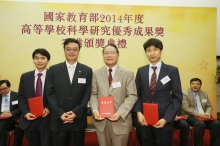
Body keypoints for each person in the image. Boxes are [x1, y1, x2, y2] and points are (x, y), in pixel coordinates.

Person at [133, 38, 182, 146]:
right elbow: (137, 94)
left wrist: (166, 118)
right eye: (148, 50)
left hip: (163, 118)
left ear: (161, 51)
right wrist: (138, 112)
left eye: (155, 49)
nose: (152, 53)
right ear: (145, 53)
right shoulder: (141, 71)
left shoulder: (172, 70)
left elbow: (177, 97)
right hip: (144, 119)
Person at [46, 38, 92, 146]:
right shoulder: (53, 69)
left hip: (77, 120)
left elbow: (87, 93)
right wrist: (60, 113)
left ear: (79, 51)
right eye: (68, 49)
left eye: (75, 49)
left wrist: (76, 112)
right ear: (64, 51)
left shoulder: (87, 70)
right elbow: (50, 93)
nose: (71, 52)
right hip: (59, 120)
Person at [90, 44, 137, 146]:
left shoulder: (127, 73)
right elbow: (93, 94)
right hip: (101, 122)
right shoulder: (96, 73)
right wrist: (94, 110)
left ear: (118, 55)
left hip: (120, 121)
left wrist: (120, 113)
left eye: (112, 53)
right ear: (103, 56)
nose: (109, 55)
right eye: (106, 53)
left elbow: (132, 95)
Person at [17, 48, 52, 146]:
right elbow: (21, 97)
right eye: (36, 58)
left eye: (42, 58)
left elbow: (56, 96)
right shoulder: (25, 76)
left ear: (48, 60)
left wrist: (49, 108)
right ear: (33, 60)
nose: (39, 61)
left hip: (47, 119)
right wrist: (26, 113)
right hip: (29, 119)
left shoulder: (53, 76)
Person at [181, 78, 220, 146]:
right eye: (193, 84)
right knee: (200, 124)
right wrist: (199, 114)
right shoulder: (185, 93)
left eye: (197, 84)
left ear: (200, 85)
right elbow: (185, 108)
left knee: (216, 123)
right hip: (190, 115)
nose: (195, 85)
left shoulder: (204, 93)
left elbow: (209, 106)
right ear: (190, 85)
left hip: (203, 114)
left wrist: (208, 113)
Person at [0, 80, 20, 146]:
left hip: (12, 117)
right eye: (0, 89)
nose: (2, 91)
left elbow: (21, 108)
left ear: (9, 87)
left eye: (4, 88)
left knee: (2, 124)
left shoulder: (17, 95)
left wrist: (11, 113)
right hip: (1, 117)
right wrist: (1, 114)